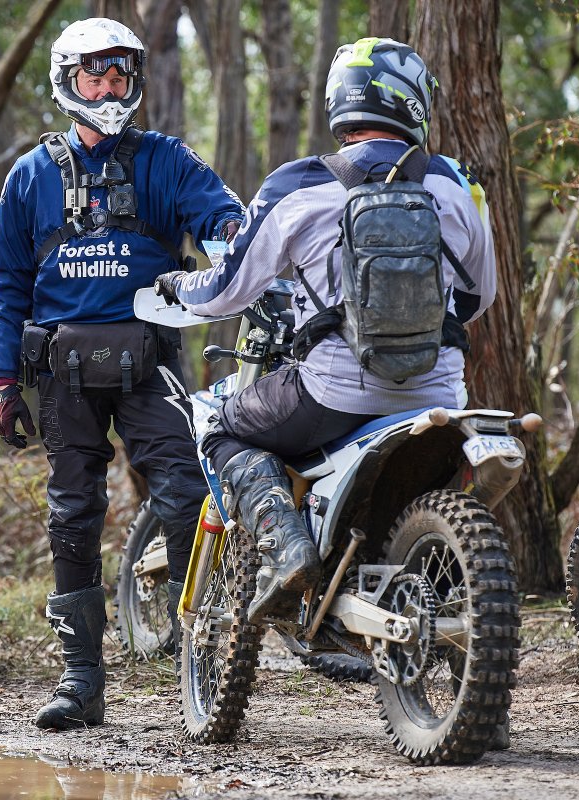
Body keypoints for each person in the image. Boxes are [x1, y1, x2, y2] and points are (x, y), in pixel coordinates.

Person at [155, 37, 498, 621]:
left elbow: (225, 291)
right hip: (438, 390)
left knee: (218, 426)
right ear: (412, 101)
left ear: (341, 101)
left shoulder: (299, 184)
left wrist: (177, 286)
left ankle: (285, 546)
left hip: (331, 391)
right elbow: (477, 296)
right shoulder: (456, 185)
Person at [0, 17, 245, 731]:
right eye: (93, 76)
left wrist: (233, 236)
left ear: (133, 81)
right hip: (63, 374)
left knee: (188, 491)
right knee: (72, 515)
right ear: (67, 82)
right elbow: (6, 282)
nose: (107, 88)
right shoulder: (30, 175)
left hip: (151, 362)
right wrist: (3, 381)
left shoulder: (166, 159)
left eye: (119, 76)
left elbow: (221, 215)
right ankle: (82, 681)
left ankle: (209, 658)